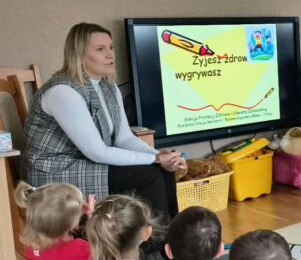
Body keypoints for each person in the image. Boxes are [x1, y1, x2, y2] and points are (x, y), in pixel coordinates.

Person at [22, 22, 184, 216]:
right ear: (79, 55)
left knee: (164, 170)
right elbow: (98, 152)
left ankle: (173, 241)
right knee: (150, 175)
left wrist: (159, 157)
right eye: (100, 49)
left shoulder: (108, 87)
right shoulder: (63, 92)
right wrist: (155, 159)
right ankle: (153, 244)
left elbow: (124, 138)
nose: (110, 55)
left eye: (111, 48)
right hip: (55, 172)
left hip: (87, 162)